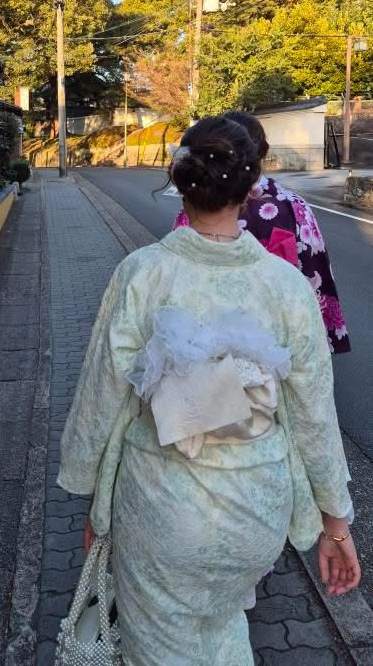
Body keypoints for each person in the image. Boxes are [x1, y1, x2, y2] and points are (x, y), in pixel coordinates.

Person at [58, 115, 359, 666]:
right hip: (254, 509)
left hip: (162, 503)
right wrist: (334, 523)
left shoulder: (142, 274)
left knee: (158, 645)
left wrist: (90, 493)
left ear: (180, 179)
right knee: (221, 627)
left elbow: (103, 396)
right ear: (250, 186)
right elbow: (314, 413)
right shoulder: (284, 286)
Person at [173, 111, 350, 355]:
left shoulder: (196, 204)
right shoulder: (292, 206)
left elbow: (177, 270)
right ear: (261, 155)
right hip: (278, 342)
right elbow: (314, 274)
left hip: (201, 342)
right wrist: (319, 339)